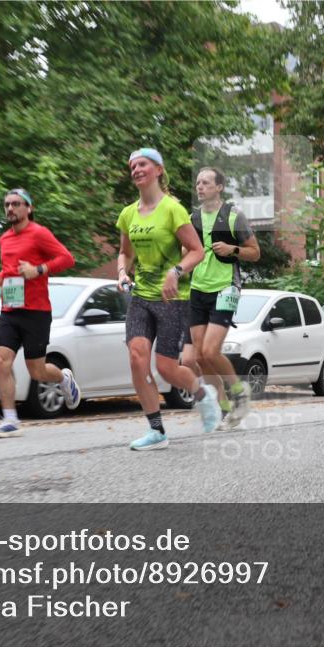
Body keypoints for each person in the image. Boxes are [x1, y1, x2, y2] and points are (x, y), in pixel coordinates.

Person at [116, 148, 222, 451]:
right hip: (141, 297)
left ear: (158, 170)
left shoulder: (172, 209)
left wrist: (175, 272)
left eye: (143, 164)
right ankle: (156, 430)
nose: (136, 169)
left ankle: (201, 393)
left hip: (172, 300)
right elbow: (125, 253)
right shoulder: (128, 214)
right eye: (133, 166)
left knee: (166, 368)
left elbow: (197, 251)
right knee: (137, 359)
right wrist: (122, 272)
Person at [0, 188, 81, 438]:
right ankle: (10, 420)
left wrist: (38, 270)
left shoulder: (39, 233)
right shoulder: (4, 239)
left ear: (29, 208)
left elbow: (67, 259)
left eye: (16, 204)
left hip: (36, 312)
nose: (10, 208)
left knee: (37, 371)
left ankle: (64, 378)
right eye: (7, 204)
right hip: (10, 309)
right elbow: (9, 270)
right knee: (1, 360)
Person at [187, 167, 261, 430]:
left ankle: (239, 392)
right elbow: (186, 251)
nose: (200, 186)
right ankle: (224, 407)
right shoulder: (193, 218)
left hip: (225, 288)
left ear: (219, 187)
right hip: (198, 288)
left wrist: (233, 249)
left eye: (206, 182)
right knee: (199, 357)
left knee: (210, 350)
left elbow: (255, 252)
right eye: (198, 182)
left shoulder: (233, 216)